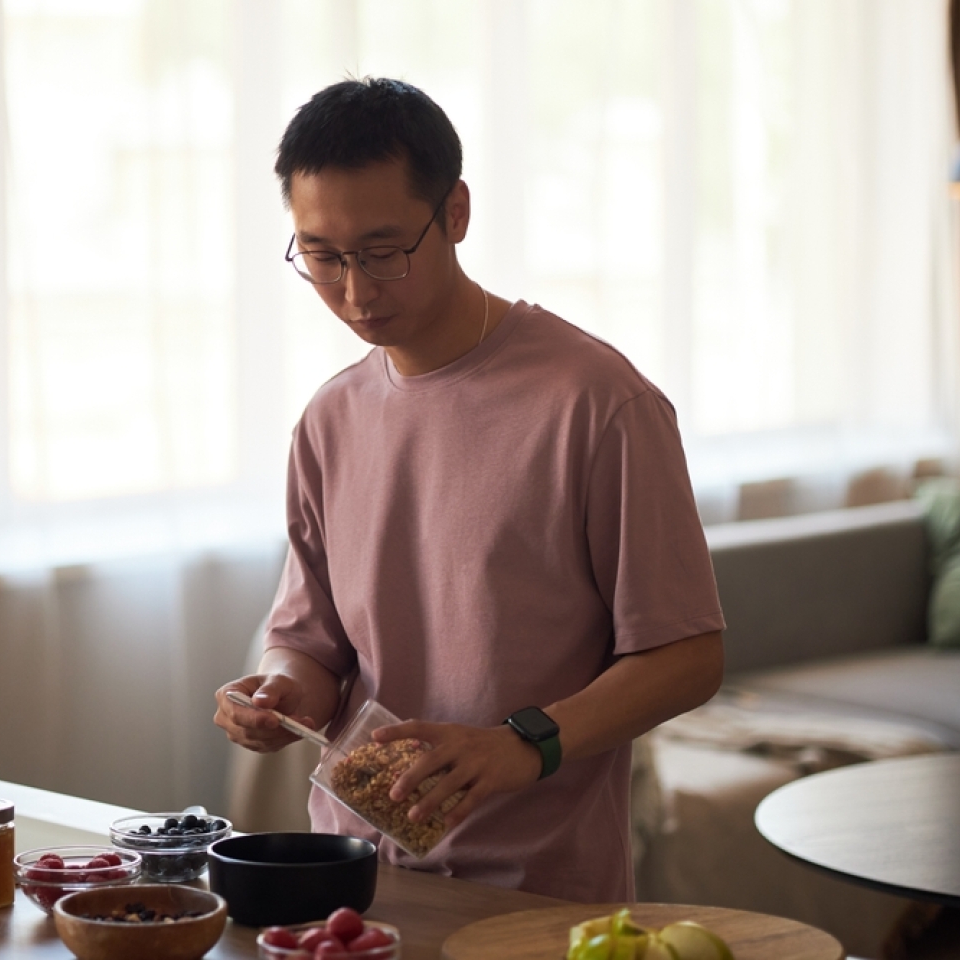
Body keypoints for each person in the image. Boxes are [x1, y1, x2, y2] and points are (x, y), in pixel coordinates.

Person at [213, 77, 725, 903]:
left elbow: (687, 656)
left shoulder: (596, 403)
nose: (354, 290)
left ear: (454, 213)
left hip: (536, 890)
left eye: (383, 252)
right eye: (321, 256)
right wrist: (277, 694)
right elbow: (310, 643)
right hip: (352, 873)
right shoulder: (331, 417)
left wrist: (523, 744)